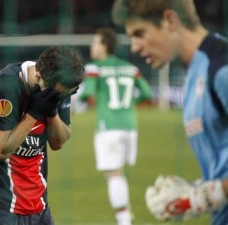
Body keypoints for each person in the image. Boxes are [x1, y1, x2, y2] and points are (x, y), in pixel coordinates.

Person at [112, 0, 228, 225]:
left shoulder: (226, 68)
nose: (135, 47)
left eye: (140, 33)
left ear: (170, 20)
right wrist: (194, 191)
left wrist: (202, 199)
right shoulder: (196, 73)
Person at [0, 46, 84, 225]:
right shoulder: (5, 86)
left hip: (38, 203)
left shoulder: (60, 86)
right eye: (59, 93)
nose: (63, 97)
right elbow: (1, 150)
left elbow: (58, 141)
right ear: (39, 77)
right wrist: (34, 113)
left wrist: (52, 111)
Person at [78, 27, 152, 225]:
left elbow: (87, 94)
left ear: (104, 46)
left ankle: (124, 219)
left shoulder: (95, 68)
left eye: (95, 42)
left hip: (108, 126)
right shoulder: (131, 68)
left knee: (113, 174)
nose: (92, 46)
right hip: (130, 126)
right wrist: (130, 105)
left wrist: (81, 97)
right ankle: (126, 213)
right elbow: (147, 93)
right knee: (119, 172)